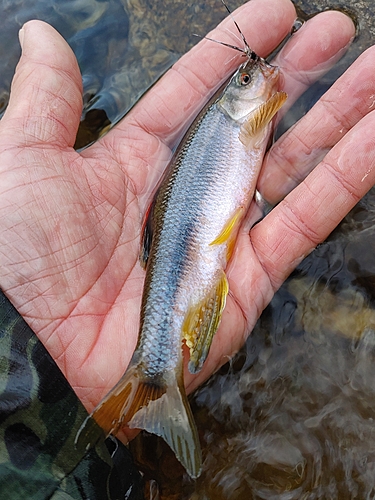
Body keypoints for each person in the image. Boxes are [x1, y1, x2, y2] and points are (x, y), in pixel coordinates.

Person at [0, 0, 371, 439]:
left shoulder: (244, 116)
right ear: (234, 97)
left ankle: (105, 417)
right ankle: (150, 376)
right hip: (189, 244)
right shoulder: (237, 119)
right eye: (246, 79)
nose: (257, 75)